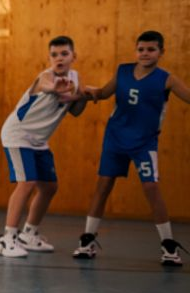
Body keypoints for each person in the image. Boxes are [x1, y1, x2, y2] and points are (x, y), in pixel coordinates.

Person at [73, 30, 190, 266]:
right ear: (136, 50)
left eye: (151, 49)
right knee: (103, 187)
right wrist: (82, 93)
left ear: (161, 52)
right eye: (141, 49)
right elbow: (104, 94)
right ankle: (87, 240)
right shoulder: (123, 71)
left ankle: (168, 245)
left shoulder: (167, 79)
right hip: (115, 138)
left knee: (151, 188)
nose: (145, 54)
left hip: (144, 142)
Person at [0, 36, 87, 257]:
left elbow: (75, 111)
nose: (59, 59)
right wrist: (56, 87)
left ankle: (29, 234)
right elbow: (48, 86)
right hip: (18, 135)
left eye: (64, 54)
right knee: (26, 183)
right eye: (54, 55)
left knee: (49, 187)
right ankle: (7, 238)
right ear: (49, 58)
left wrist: (83, 95)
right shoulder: (45, 77)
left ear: (73, 57)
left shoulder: (75, 78)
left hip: (38, 141)